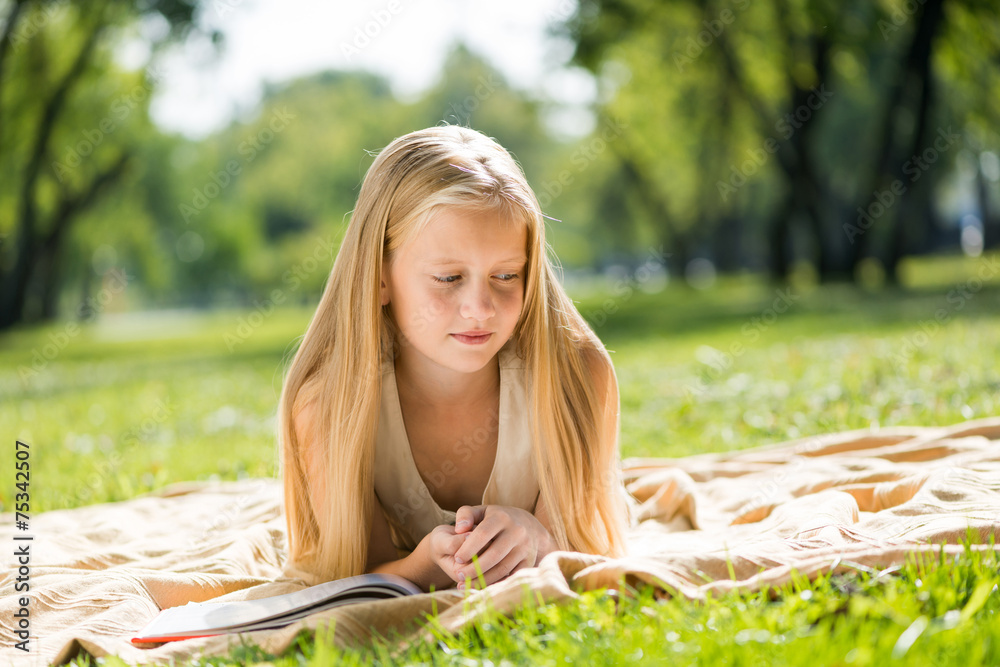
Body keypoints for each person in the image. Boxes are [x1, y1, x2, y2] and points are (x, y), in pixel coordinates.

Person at [277, 124, 634, 593]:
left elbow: (584, 553)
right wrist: (426, 565)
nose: (480, 309)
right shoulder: (329, 404)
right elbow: (357, 573)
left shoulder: (576, 376)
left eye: (506, 275)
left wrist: (536, 538)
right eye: (448, 279)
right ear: (379, 277)